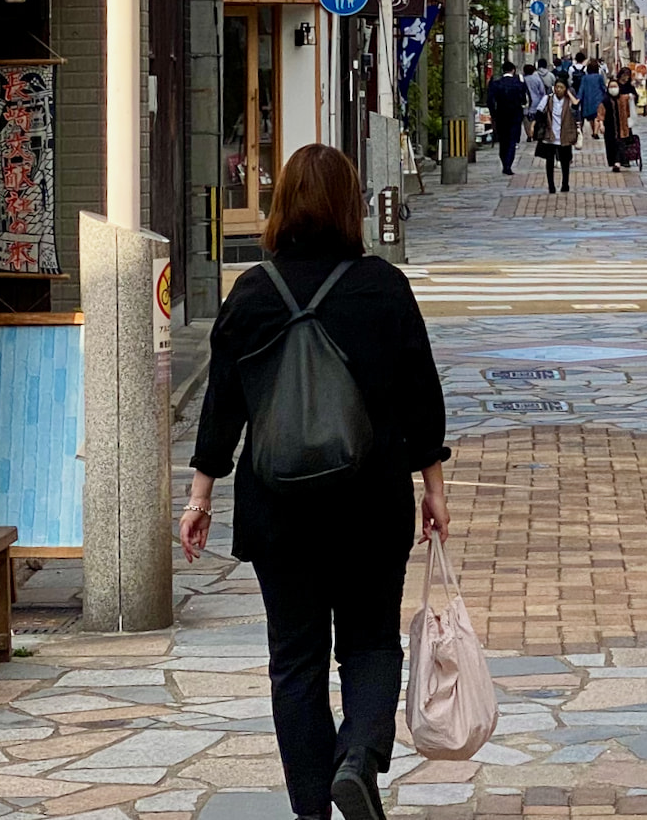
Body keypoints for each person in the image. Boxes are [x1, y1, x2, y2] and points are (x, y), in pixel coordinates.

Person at [184, 145, 449, 820]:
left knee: (295, 660)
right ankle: (357, 758)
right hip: (371, 501)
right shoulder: (381, 287)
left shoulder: (252, 292)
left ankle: (311, 811)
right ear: (349, 205)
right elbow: (421, 395)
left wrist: (200, 495)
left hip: (279, 508)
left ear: (282, 206)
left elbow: (222, 403)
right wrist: (434, 487)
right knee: (370, 641)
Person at [537, 74, 581, 193]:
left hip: (565, 135)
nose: (559, 90)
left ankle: (565, 184)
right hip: (550, 135)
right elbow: (539, 112)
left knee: (565, 161)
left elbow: (576, 105)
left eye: (562, 87)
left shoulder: (568, 101)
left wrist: (569, 94)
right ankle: (551, 185)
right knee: (549, 161)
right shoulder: (548, 99)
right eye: (557, 87)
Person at [485, 63, 529, 177]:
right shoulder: (519, 84)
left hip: (501, 116)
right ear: (513, 70)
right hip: (515, 116)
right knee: (512, 141)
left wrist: (493, 114)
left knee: (503, 141)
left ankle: (505, 162)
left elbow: (490, 101)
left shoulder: (496, 84)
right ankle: (508, 164)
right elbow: (524, 100)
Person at [604, 65, 636, 172]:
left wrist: (631, 98)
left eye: (628, 75)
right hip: (611, 120)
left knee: (624, 140)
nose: (626, 78)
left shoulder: (629, 86)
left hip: (624, 118)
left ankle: (623, 159)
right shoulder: (615, 86)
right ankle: (616, 160)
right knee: (613, 141)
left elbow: (635, 98)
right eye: (624, 75)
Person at [575, 57, 607, 139]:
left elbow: (581, 88)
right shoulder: (599, 77)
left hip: (588, 99)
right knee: (597, 115)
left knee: (591, 117)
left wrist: (578, 98)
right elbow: (603, 87)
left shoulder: (585, 78)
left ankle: (594, 132)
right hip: (598, 97)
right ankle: (595, 132)